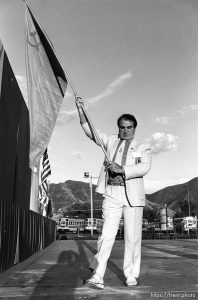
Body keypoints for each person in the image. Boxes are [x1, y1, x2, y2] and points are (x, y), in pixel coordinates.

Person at [75, 97, 152, 289]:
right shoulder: (109, 141)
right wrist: (81, 111)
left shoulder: (143, 147)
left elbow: (144, 167)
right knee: (106, 236)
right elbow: (91, 132)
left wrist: (122, 169)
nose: (125, 131)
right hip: (111, 194)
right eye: (122, 127)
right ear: (118, 127)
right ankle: (98, 275)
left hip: (133, 198)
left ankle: (131, 275)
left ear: (135, 128)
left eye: (129, 127)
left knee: (132, 238)